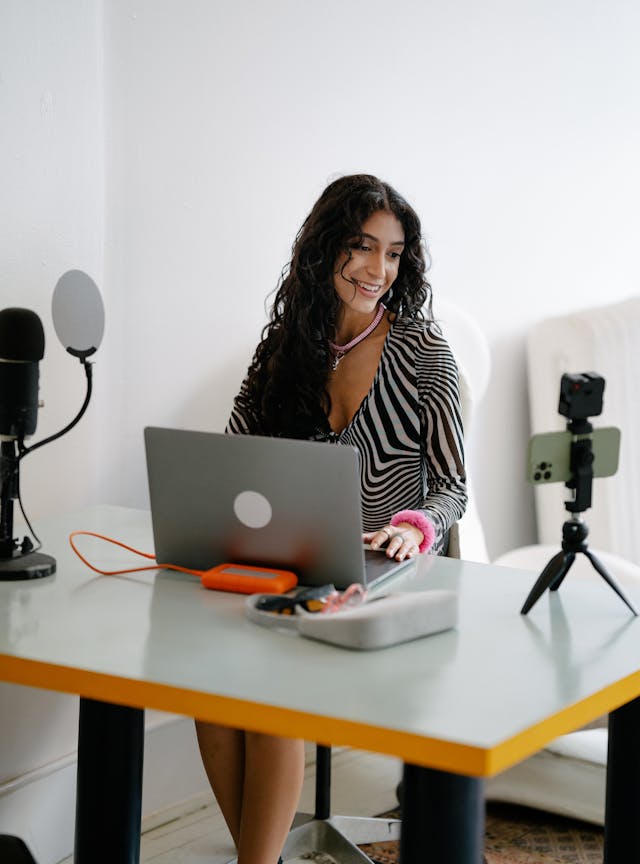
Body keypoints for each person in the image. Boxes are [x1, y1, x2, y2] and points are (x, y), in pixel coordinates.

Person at [195, 174, 467, 864]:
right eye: (361, 247)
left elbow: (453, 489)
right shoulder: (289, 347)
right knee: (210, 692)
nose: (379, 270)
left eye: (395, 253)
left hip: (386, 582)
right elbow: (232, 461)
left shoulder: (424, 355)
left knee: (271, 698)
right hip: (297, 574)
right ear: (325, 251)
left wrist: (415, 526)